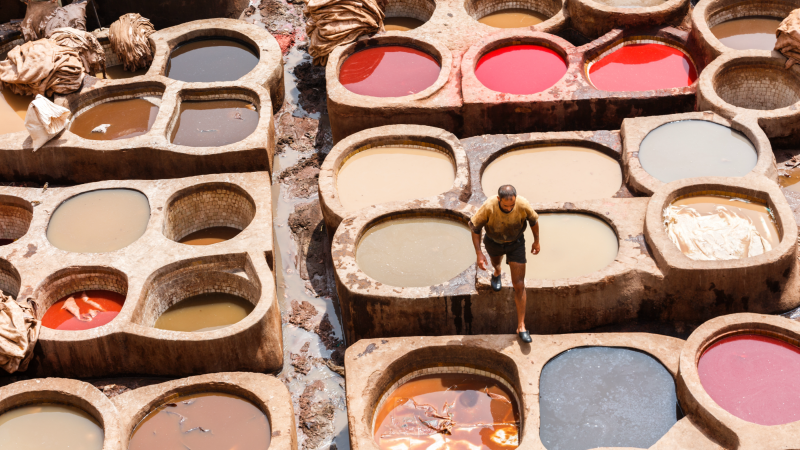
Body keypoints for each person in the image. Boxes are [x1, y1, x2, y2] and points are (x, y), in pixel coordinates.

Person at [469, 184, 540, 343]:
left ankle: (521, 326)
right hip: (494, 242)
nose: (509, 208)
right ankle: (497, 272)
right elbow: (475, 228)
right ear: (498, 199)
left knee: (519, 284)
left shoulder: (522, 204)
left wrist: (536, 241)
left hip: (516, 243)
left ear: (516, 199)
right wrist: (479, 253)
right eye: (505, 205)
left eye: (512, 205)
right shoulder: (489, 206)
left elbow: (533, 221)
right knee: (496, 263)